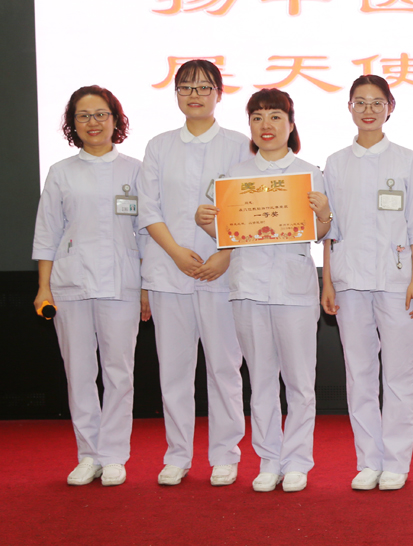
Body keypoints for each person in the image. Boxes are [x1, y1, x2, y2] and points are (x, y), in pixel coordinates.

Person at [195, 88, 331, 493]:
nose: (265, 126)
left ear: (291, 124)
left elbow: (323, 232)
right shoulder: (232, 177)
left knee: (300, 381)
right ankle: (269, 459)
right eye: (257, 118)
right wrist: (206, 222)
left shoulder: (310, 173)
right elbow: (226, 234)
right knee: (261, 379)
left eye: (274, 117)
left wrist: (324, 213)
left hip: (294, 289)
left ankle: (298, 461)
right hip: (248, 288)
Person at [138, 60, 250, 487]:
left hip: (222, 273)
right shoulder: (159, 146)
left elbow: (250, 207)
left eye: (204, 87)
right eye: (185, 87)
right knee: (174, 370)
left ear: (219, 93)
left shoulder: (239, 145)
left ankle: (225, 454)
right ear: (176, 95)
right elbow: (148, 208)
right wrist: (175, 253)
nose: (194, 95)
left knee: (224, 367)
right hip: (169, 272)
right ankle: (177, 455)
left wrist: (225, 254)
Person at [33, 85, 150, 487]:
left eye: (101, 114)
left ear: (115, 120)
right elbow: (47, 233)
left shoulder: (135, 170)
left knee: (119, 371)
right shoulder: (61, 172)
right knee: (79, 371)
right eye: (83, 116)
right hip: (70, 284)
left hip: (122, 283)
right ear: (73, 123)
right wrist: (43, 287)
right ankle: (88, 454)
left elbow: (147, 232)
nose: (93, 122)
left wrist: (146, 287)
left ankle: (114, 454)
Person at [321, 75, 413, 491]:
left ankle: (396, 461)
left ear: (390, 108)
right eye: (360, 102)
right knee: (359, 372)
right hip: (349, 280)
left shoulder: (406, 159)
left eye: (377, 103)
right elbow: (329, 230)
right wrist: (327, 281)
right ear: (349, 107)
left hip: (397, 280)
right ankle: (368, 460)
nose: (368, 110)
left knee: (399, 373)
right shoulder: (335, 162)